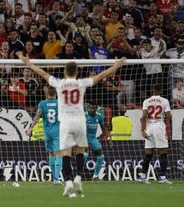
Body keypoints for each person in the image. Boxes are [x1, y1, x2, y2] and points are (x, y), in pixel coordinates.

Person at [17, 51, 125, 197]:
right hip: (80, 121)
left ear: (64, 71)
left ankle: (67, 182)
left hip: (66, 122)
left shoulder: (59, 83)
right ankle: (78, 178)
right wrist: (116, 65)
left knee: (65, 153)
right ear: (77, 72)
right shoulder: (81, 83)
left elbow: (42, 73)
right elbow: (101, 76)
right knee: (80, 151)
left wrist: (28, 63)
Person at [26, 86, 62, 185]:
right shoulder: (60, 103)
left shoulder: (42, 103)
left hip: (48, 132)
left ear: (47, 94)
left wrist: (30, 128)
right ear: (56, 94)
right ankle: (56, 178)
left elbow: (37, 117)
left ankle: (54, 178)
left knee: (50, 154)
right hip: (57, 132)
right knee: (58, 154)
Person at [139, 85, 172, 184]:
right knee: (163, 152)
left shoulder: (146, 101)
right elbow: (168, 116)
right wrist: (170, 115)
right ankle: (162, 177)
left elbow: (144, 116)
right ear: (160, 90)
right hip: (159, 126)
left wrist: (142, 130)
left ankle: (142, 176)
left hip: (149, 127)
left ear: (152, 90)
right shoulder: (164, 101)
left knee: (148, 153)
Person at [84, 103, 111, 180]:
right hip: (84, 138)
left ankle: (95, 176)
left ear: (96, 109)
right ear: (88, 108)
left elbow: (103, 128)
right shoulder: (84, 115)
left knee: (101, 156)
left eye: (94, 109)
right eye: (91, 108)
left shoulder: (99, 116)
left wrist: (109, 139)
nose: (92, 110)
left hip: (93, 138)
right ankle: (78, 174)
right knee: (85, 155)